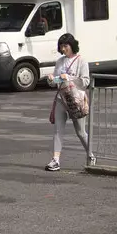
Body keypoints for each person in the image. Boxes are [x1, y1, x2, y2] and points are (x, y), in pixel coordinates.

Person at [46, 33, 93, 172]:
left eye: (65, 46)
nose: (63, 49)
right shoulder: (60, 61)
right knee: (58, 130)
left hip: (76, 101)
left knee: (80, 132)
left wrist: (69, 78)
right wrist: (51, 79)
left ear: (72, 46)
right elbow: (56, 81)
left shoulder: (81, 61)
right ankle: (55, 160)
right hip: (61, 99)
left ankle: (91, 155)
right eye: (61, 46)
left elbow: (85, 81)